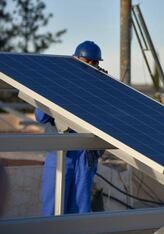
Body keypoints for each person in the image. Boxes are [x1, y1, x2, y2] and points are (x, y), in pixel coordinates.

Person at [36, 41, 105, 215]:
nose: (90, 65)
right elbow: (41, 117)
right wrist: (53, 90)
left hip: (85, 154)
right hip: (59, 151)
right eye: (86, 60)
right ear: (75, 59)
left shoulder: (102, 89)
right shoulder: (58, 83)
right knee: (52, 205)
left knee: (80, 209)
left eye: (94, 62)